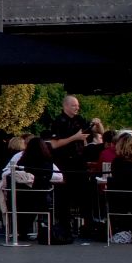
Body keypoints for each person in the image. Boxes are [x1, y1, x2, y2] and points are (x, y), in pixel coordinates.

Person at [45, 94, 88, 243]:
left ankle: (86, 226)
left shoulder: (80, 120)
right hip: (64, 163)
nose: (77, 108)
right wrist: (74, 138)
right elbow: (54, 144)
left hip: (79, 162)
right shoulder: (58, 122)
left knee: (84, 195)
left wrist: (97, 124)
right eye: (74, 105)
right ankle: (64, 228)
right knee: (64, 198)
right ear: (65, 106)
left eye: (77, 105)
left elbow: (93, 132)